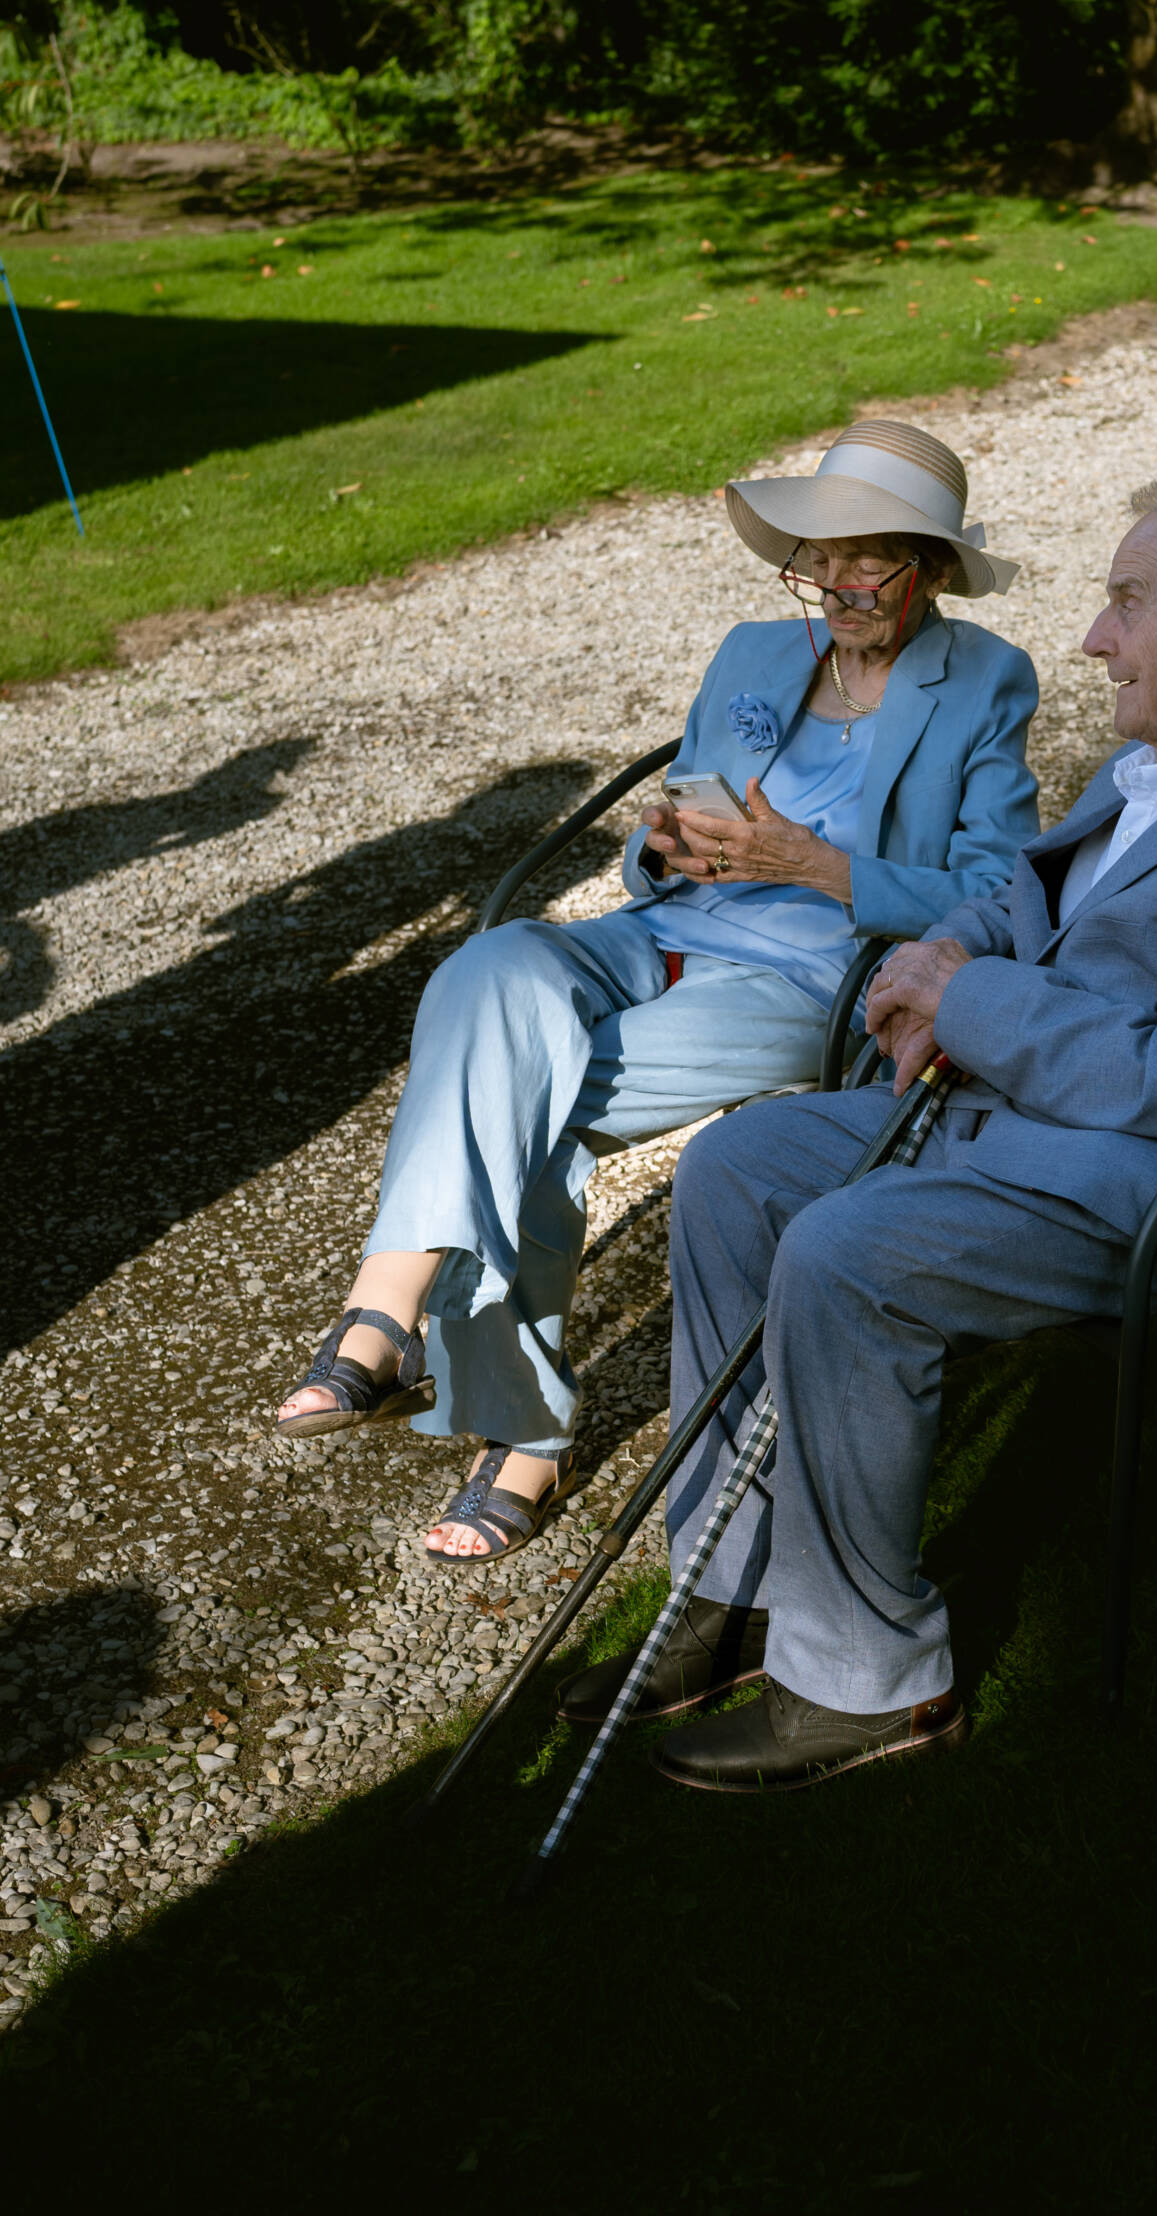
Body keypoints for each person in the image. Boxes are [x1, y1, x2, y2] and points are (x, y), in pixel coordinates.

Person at [561, 478, 1157, 1788]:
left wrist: (968, 1003)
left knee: (847, 1254)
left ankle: (868, 1680)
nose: (1092, 637)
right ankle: (740, 1587)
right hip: (1068, 1107)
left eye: (1126, 603)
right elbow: (1025, 895)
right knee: (736, 1168)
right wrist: (934, 961)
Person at [271, 419, 1037, 1562]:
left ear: (926, 568)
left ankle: (484, 1401)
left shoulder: (983, 682)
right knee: (489, 968)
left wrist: (818, 866)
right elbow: (666, 822)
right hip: (668, 925)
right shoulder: (755, 652)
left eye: (865, 560)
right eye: (820, 556)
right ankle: (397, 1303)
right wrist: (661, 844)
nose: (834, 583)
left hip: (812, 977)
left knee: (524, 1094)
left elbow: (999, 894)